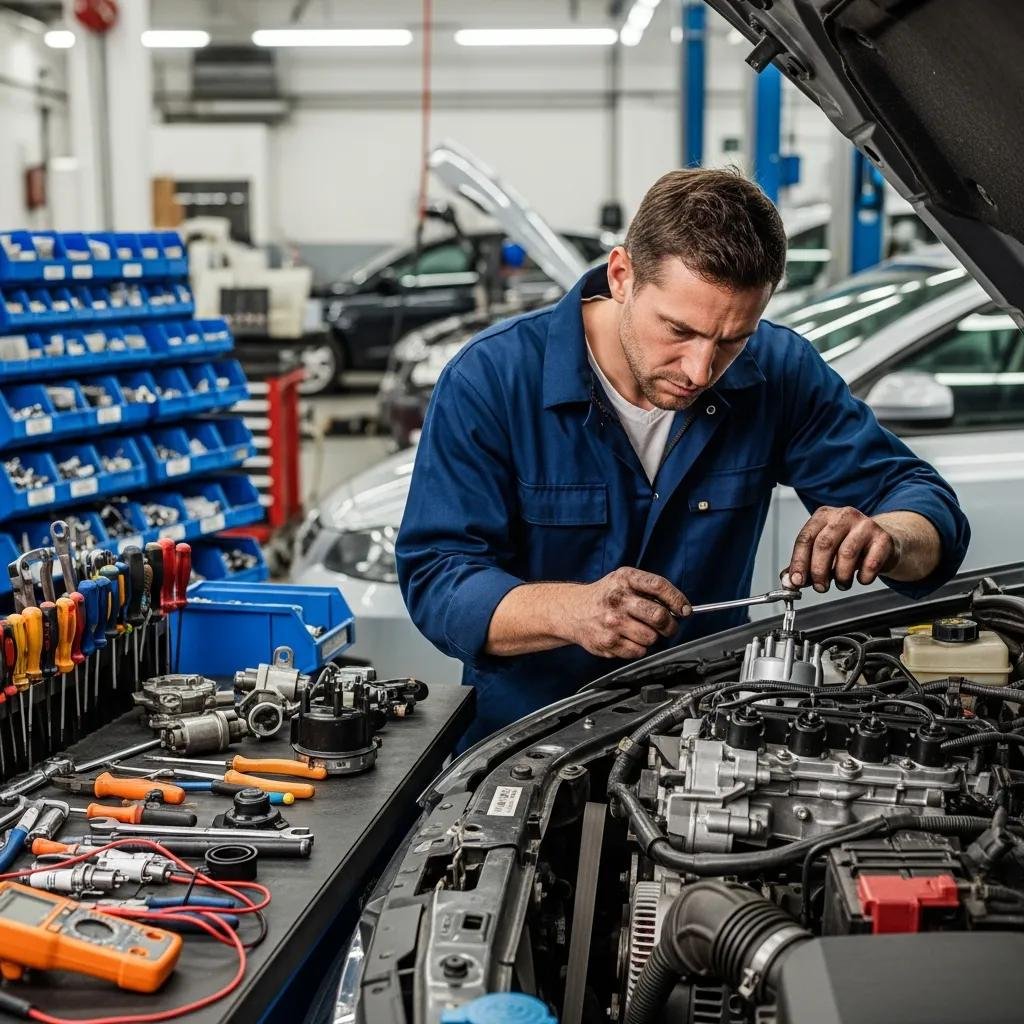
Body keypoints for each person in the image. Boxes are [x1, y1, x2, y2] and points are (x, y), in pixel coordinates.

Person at [396, 168, 970, 743]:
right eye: (679, 330)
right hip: (526, 744)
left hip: (714, 742)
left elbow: (926, 507)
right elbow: (438, 576)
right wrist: (571, 612)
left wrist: (887, 537)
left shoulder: (777, 372)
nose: (700, 370)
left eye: (730, 340)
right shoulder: (492, 380)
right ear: (622, 276)